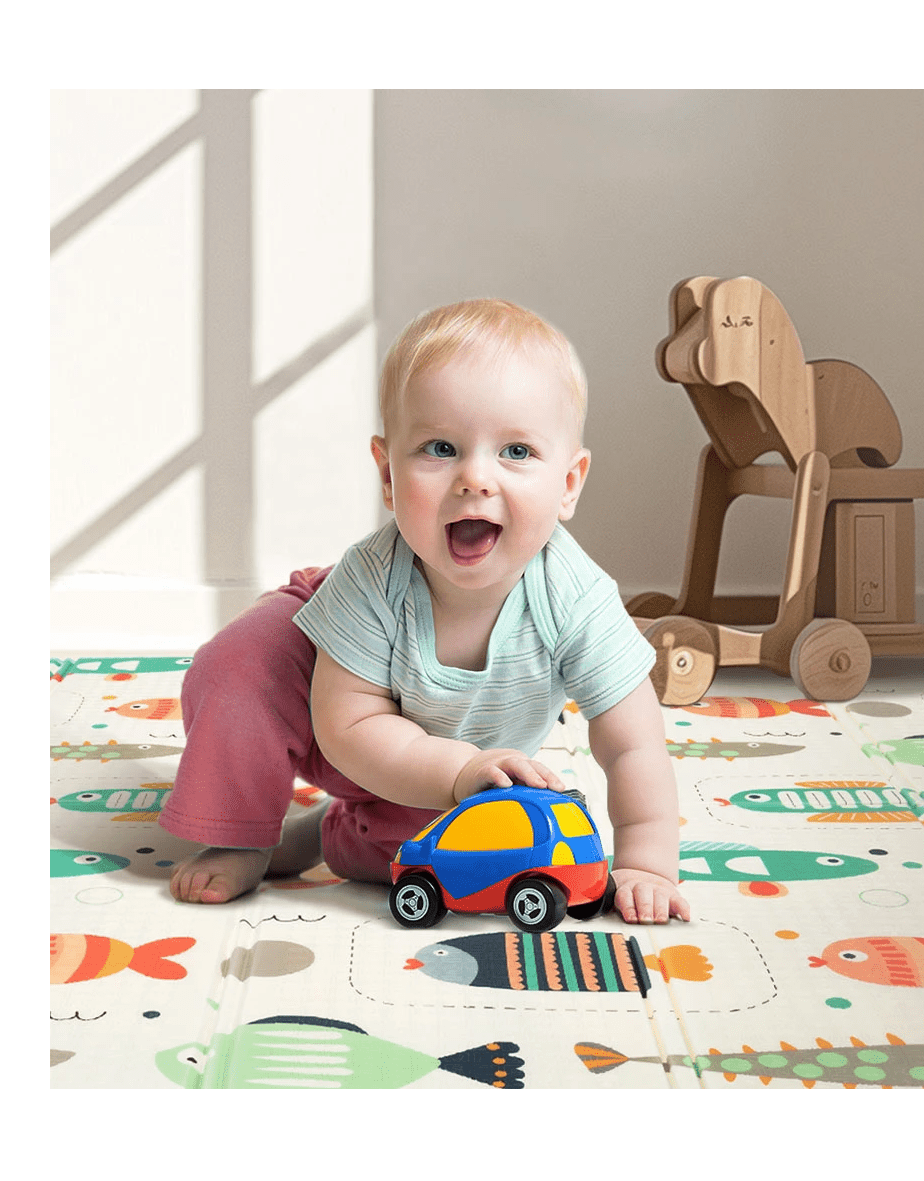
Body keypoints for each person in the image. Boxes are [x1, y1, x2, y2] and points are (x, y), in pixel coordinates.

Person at [161, 299, 690, 924]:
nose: (475, 478)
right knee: (241, 666)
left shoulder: (575, 597)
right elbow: (349, 727)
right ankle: (241, 833)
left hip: (444, 762)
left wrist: (647, 863)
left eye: (517, 452)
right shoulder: (371, 579)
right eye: (441, 448)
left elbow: (633, 745)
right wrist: (458, 768)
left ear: (569, 484)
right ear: (388, 476)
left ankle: (323, 834)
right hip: (336, 702)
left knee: (416, 861)